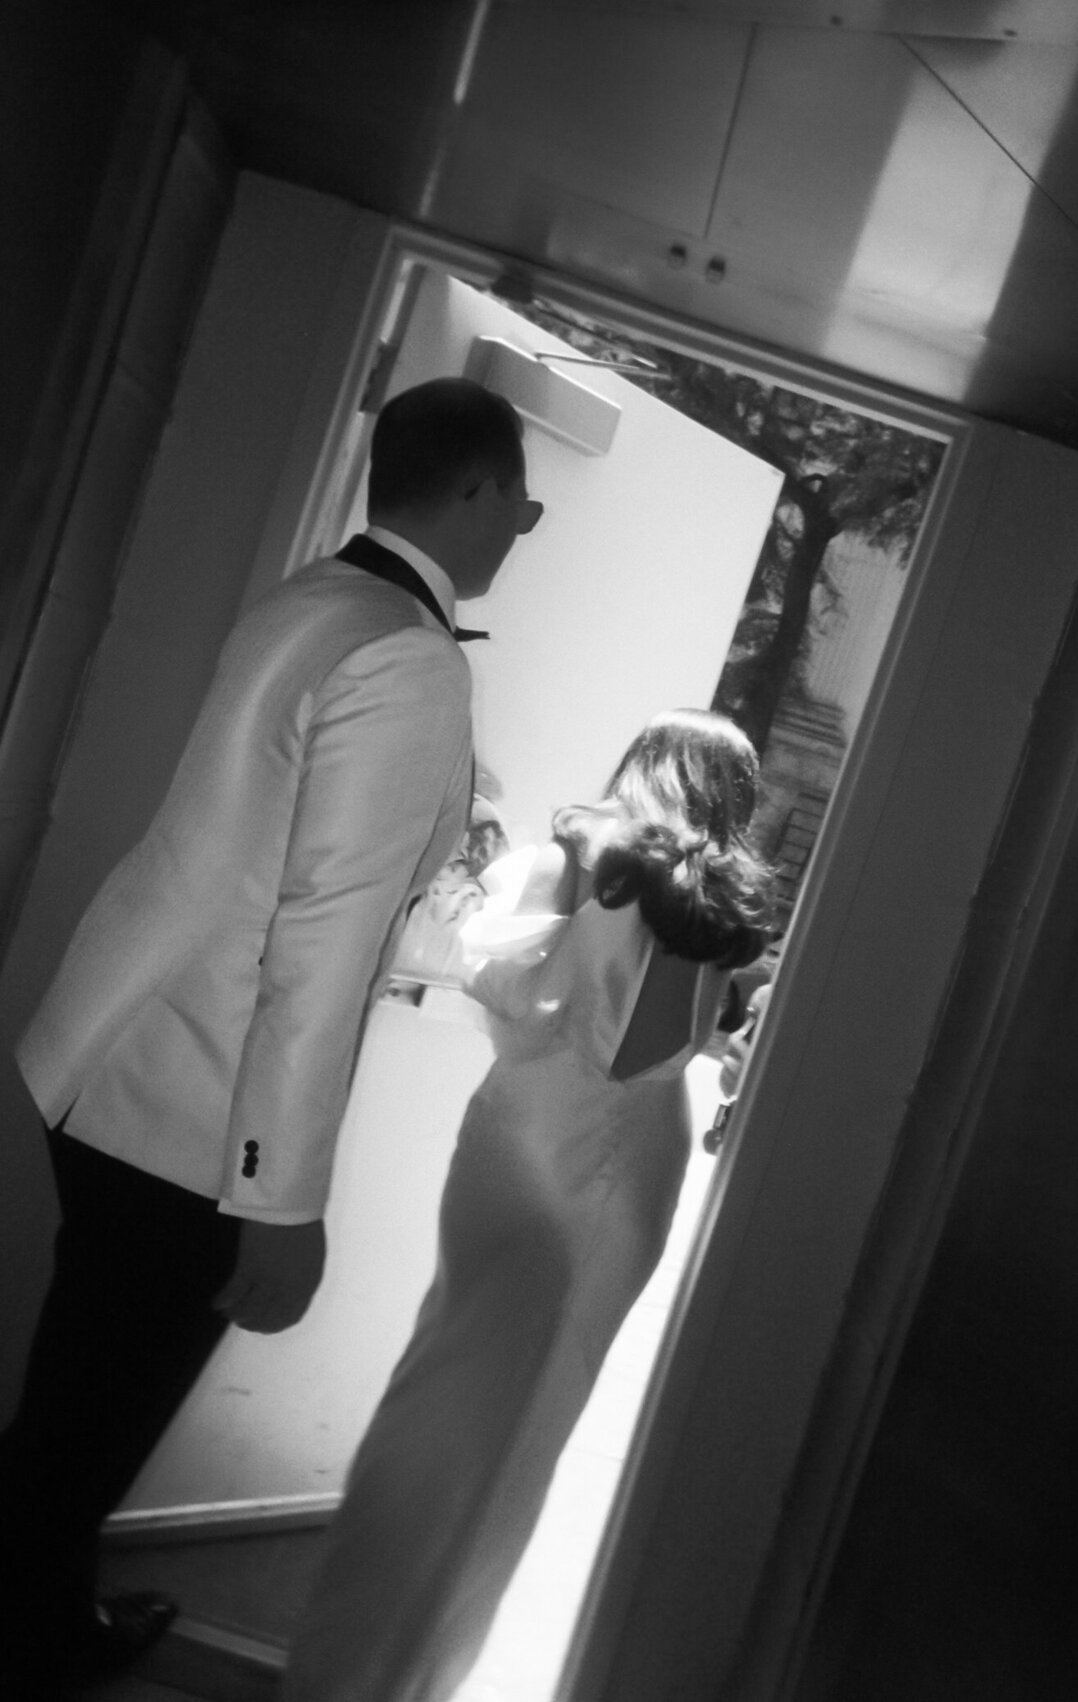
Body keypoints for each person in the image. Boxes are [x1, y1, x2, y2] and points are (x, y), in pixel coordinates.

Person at [0, 376, 542, 1698]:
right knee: (83, 1432)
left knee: (70, 1411)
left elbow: (269, 863)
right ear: (472, 488)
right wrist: (280, 1200)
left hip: (113, 1053)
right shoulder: (409, 654)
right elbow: (318, 939)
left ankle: (45, 1621)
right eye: (520, 502)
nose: (522, 526)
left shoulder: (316, 595)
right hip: (194, 1107)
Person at [283, 708, 776, 1702]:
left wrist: (574, 871)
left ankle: (357, 1672)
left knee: (455, 1399)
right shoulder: (693, 908)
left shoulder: (607, 872)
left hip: (529, 1140)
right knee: (511, 1430)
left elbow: (508, 984)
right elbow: (649, 1053)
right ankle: (397, 1674)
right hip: (616, 1161)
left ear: (642, 770)